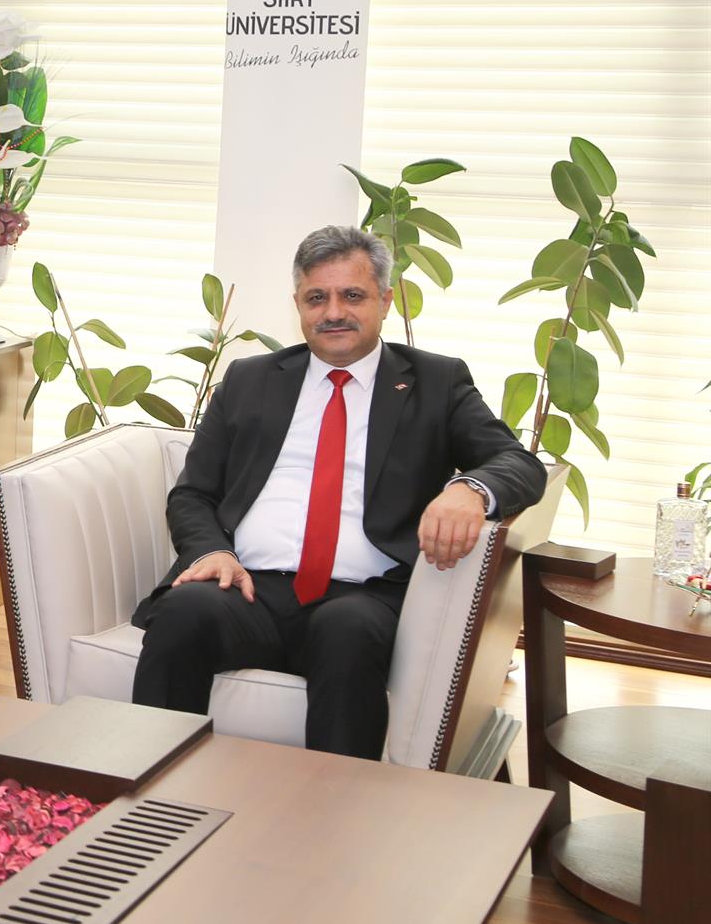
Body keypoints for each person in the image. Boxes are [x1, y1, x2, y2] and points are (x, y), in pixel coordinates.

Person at [130, 225, 546, 758]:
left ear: (385, 301)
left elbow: (520, 462)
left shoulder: (435, 383)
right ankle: (149, 786)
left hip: (363, 596)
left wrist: (470, 488)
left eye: (352, 295)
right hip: (248, 586)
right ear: (298, 305)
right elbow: (193, 494)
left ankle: (339, 807)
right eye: (316, 298)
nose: (333, 312)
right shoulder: (250, 379)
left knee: (347, 633)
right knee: (184, 611)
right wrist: (213, 551)